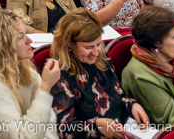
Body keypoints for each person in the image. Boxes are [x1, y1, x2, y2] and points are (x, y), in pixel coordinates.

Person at [50, 9, 150, 139]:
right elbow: (63, 130)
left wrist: (132, 105)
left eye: (98, 44)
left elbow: (118, 97)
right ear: (69, 43)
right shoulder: (58, 76)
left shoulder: (101, 61)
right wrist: (96, 126)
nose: (96, 53)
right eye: (88, 47)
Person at [0, 9, 60, 139]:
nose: (29, 40)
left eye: (26, 34)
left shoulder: (26, 71)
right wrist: (45, 89)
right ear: (2, 44)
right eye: (20, 36)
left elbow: (48, 126)